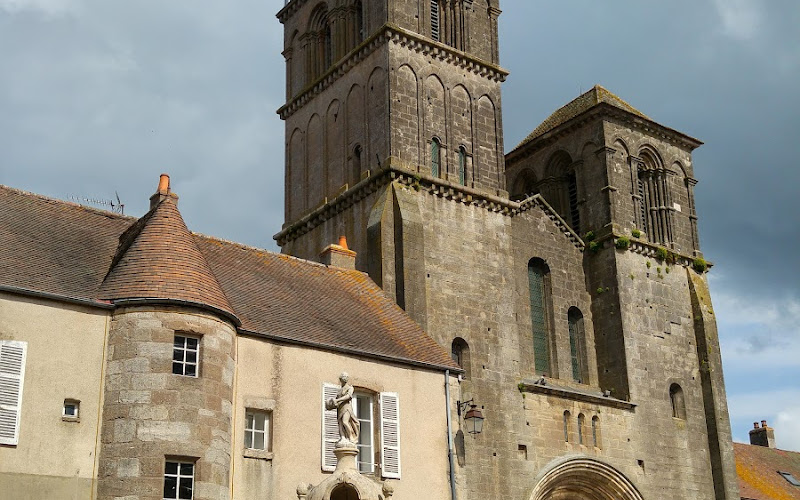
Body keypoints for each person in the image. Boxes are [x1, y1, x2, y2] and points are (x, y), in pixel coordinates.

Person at [326, 372, 360, 445]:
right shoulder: (340, 390)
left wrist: (338, 400)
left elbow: (348, 396)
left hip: (346, 407)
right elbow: (336, 400)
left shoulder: (350, 388)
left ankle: (351, 437)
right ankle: (343, 437)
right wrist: (332, 403)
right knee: (340, 423)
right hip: (340, 408)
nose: (343, 379)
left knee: (345, 421)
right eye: (342, 378)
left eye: (345, 378)